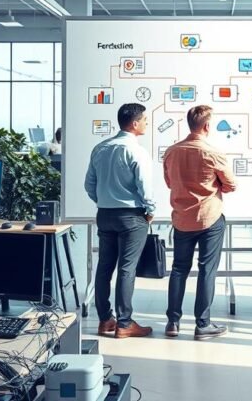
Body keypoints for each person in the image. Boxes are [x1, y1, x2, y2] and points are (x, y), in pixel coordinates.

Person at [162, 105, 236, 340]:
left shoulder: (171, 152)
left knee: (178, 269)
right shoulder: (213, 153)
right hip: (209, 218)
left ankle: (173, 322)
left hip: (181, 219)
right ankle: (202, 324)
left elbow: (169, 182)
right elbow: (231, 185)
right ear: (207, 126)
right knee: (207, 270)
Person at [84, 104, 155, 339]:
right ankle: (124, 324)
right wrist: (150, 210)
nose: (146, 123)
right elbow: (145, 187)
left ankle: (105, 320)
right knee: (126, 268)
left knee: (104, 266)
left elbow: (89, 185)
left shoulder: (100, 148)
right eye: (144, 120)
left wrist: (103, 201)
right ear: (135, 123)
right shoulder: (136, 151)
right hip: (131, 216)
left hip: (105, 214)